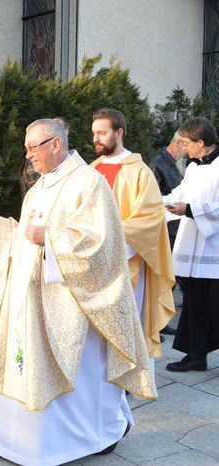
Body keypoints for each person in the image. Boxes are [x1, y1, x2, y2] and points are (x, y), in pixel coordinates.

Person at [0, 118, 156, 465]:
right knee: (22, 364)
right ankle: (9, 440)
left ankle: (95, 436)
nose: (28, 156)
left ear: (55, 144)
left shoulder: (89, 183)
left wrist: (51, 238)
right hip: (31, 299)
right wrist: (3, 227)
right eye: (27, 148)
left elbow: (102, 243)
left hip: (72, 303)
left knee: (80, 375)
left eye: (33, 147)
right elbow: (28, 237)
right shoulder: (40, 187)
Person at [90, 107, 176, 358]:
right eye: (94, 133)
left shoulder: (140, 172)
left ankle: (128, 374)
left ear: (120, 133)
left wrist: (110, 236)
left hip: (127, 260)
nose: (96, 139)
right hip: (95, 258)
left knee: (127, 320)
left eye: (102, 133)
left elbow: (150, 219)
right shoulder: (91, 169)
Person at [164, 117, 219, 372]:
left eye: (186, 143)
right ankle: (196, 356)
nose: (183, 148)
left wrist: (191, 210)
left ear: (201, 141)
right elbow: (179, 196)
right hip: (192, 248)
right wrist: (156, 203)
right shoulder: (195, 168)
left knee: (215, 307)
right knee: (194, 304)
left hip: (213, 250)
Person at [149, 131, 188, 249]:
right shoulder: (156, 164)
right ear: (178, 143)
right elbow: (152, 198)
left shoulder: (182, 164)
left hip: (182, 226)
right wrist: (176, 208)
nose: (188, 152)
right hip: (167, 229)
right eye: (186, 146)